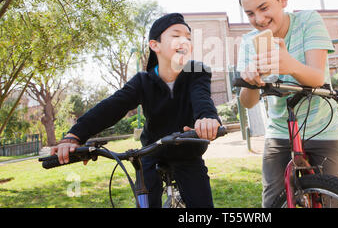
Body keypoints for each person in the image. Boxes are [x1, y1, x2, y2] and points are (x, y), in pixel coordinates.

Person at [51, 12, 221, 208]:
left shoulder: (197, 71)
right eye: (176, 35)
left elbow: (201, 98)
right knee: (146, 201)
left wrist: (207, 117)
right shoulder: (143, 81)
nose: (185, 42)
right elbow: (113, 106)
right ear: (154, 45)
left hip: (187, 150)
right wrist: (74, 136)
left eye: (189, 38)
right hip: (152, 151)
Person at [235, 0, 338, 208]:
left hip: (321, 127)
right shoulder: (248, 42)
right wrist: (251, 82)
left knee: (333, 201)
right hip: (280, 131)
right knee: (273, 200)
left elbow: (316, 77)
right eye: (250, 13)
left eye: (264, 8)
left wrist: (288, 64)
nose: (259, 20)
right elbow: (247, 102)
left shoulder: (308, 20)